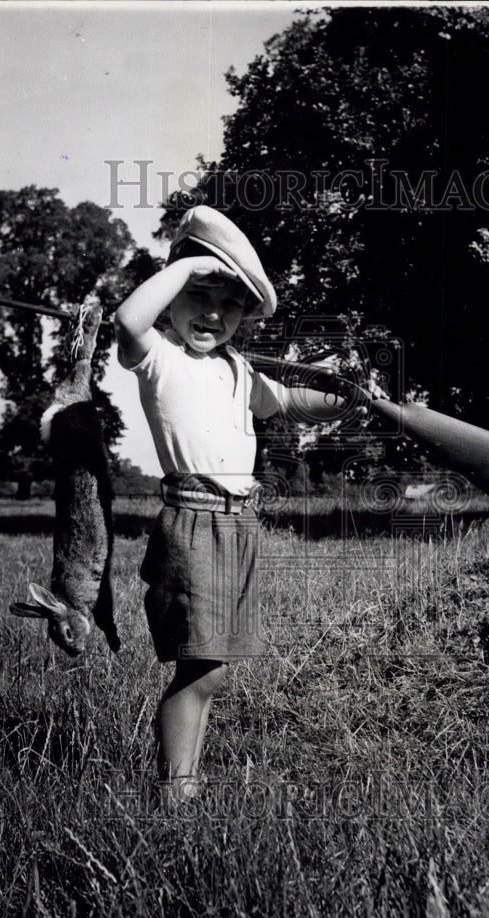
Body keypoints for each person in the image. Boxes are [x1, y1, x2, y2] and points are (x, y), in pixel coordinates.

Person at [114, 205, 360, 804]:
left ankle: (183, 780)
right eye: (199, 294)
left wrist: (355, 400)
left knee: (215, 670)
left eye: (231, 304)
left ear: (246, 317)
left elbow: (294, 403)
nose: (214, 313)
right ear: (172, 297)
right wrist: (194, 259)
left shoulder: (238, 369)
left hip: (240, 526)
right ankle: (177, 789)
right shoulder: (159, 358)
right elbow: (128, 318)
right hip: (194, 521)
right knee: (199, 665)